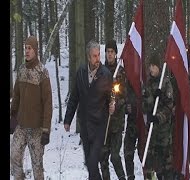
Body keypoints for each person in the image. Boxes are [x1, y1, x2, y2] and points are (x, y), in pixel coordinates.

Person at [63, 40, 114, 180]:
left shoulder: (106, 74)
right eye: (94, 56)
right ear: (88, 57)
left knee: (92, 162)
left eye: (98, 55)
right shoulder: (81, 72)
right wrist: (68, 120)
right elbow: (74, 97)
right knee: (89, 164)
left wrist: (112, 104)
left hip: (99, 125)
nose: (97, 59)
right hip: (85, 124)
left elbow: (112, 96)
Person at [10, 35, 53, 180]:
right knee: (14, 156)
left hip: (37, 129)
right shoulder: (21, 70)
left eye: (30, 48)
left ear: (35, 50)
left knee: (37, 167)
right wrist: (12, 116)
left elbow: (48, 103)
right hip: (21, 126)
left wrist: (46, 130)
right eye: (25, 48)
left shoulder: (42, 72)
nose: (27, 51)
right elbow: (16, 96)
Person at [142, 52, 174, 180]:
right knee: (149, 163)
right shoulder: (148, 84)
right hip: (151, 131)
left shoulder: (165, 83)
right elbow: (144, 105)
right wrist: (152, 98)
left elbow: (169, 106)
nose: (151, 69)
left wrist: (159, 117)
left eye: (154, 66)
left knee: (165, 165)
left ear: (159, 67)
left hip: (163, 132)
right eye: (150, 66)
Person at [100, 39, 126, 180]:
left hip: (116, 123)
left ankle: (122, 177)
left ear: (116, 54)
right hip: (104, 123)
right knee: (102, 157)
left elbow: (124, 96)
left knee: (115, 156)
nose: (109, 54)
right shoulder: (100, 71)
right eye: (107, 52)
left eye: (112, 52)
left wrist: (115, 104)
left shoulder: (120, 72)